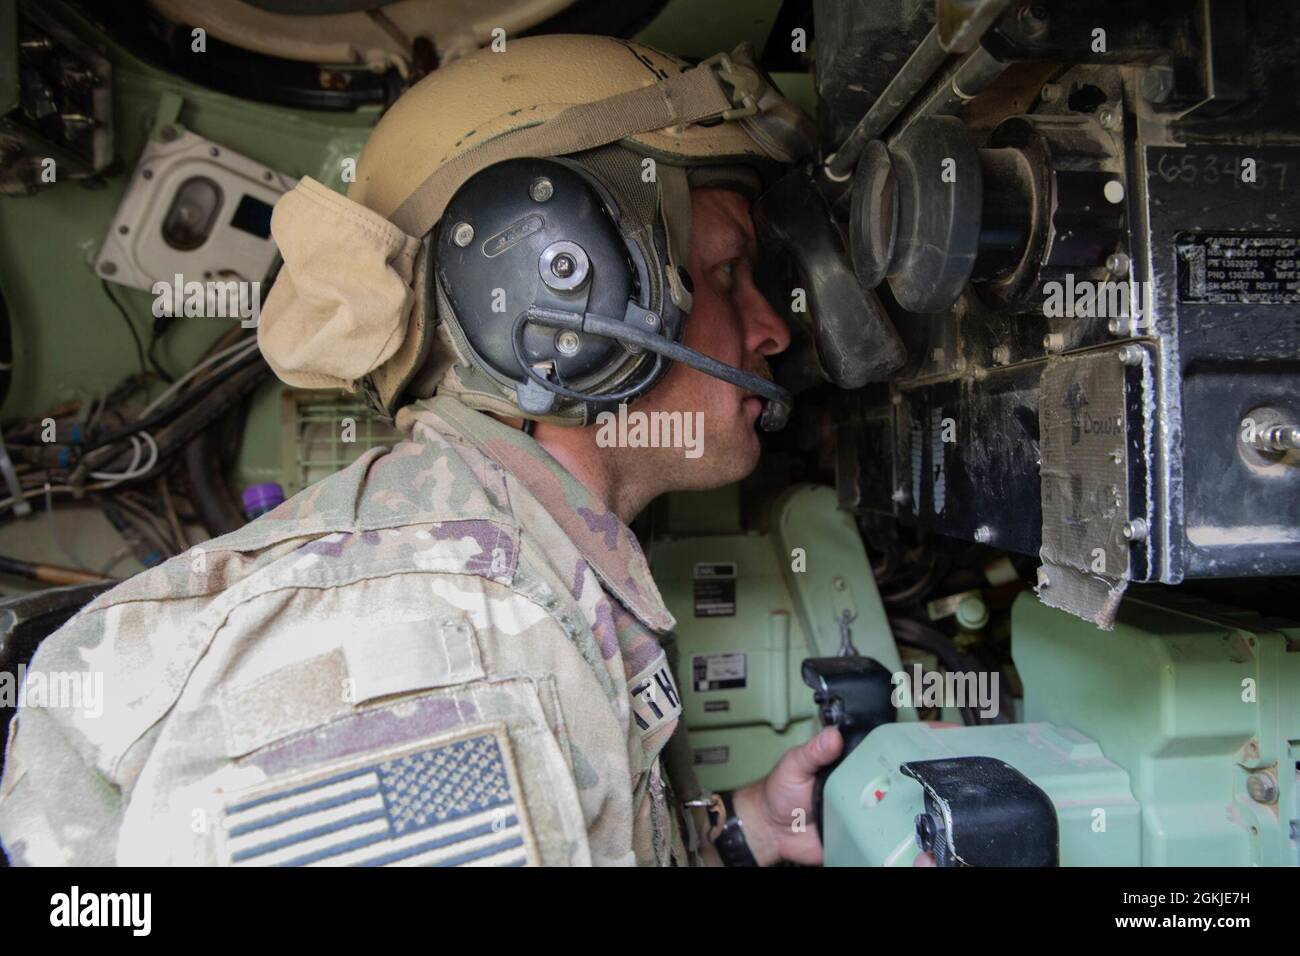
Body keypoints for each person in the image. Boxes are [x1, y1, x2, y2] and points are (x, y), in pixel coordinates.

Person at [0, 34, 847, 867]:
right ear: (566, 290)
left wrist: (738, 832)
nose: (772, 330)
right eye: (731, 271)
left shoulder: (497, 587)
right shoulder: (440, 647)